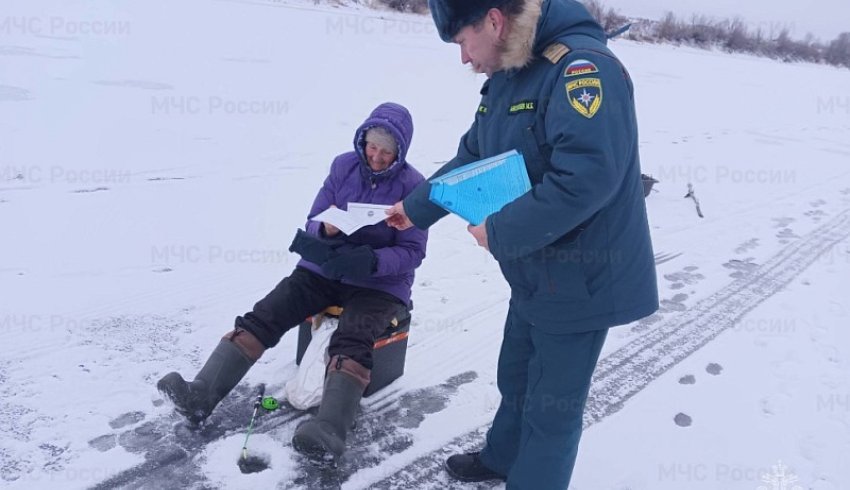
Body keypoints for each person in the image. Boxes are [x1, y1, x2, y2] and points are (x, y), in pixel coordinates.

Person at [385, 1, 658, 488]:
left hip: (582, 279)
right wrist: (417, 206)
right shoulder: (513, 73)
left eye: (463, 42)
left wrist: (502, 231)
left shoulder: (581, 68)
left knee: (551, 411)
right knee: (516, 377)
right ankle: (503, 459)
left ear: (493, 21)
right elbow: (475, 153)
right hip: (537, 268)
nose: (465, 59)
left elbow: (588, 178)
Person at [158, 102, 427, 461]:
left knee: (353, 336)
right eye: (371, 147)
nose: (376, 157)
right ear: (362, 141)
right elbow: (315, 217)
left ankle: (329, 430)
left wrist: (374, 260)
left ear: (400, 152)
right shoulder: (343, 166)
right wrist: (325, 228)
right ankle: (201, 395)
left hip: (379, 285)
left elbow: (413, 251)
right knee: (268, 312)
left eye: (386, 151)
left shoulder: (415, 187)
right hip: (325, 269)